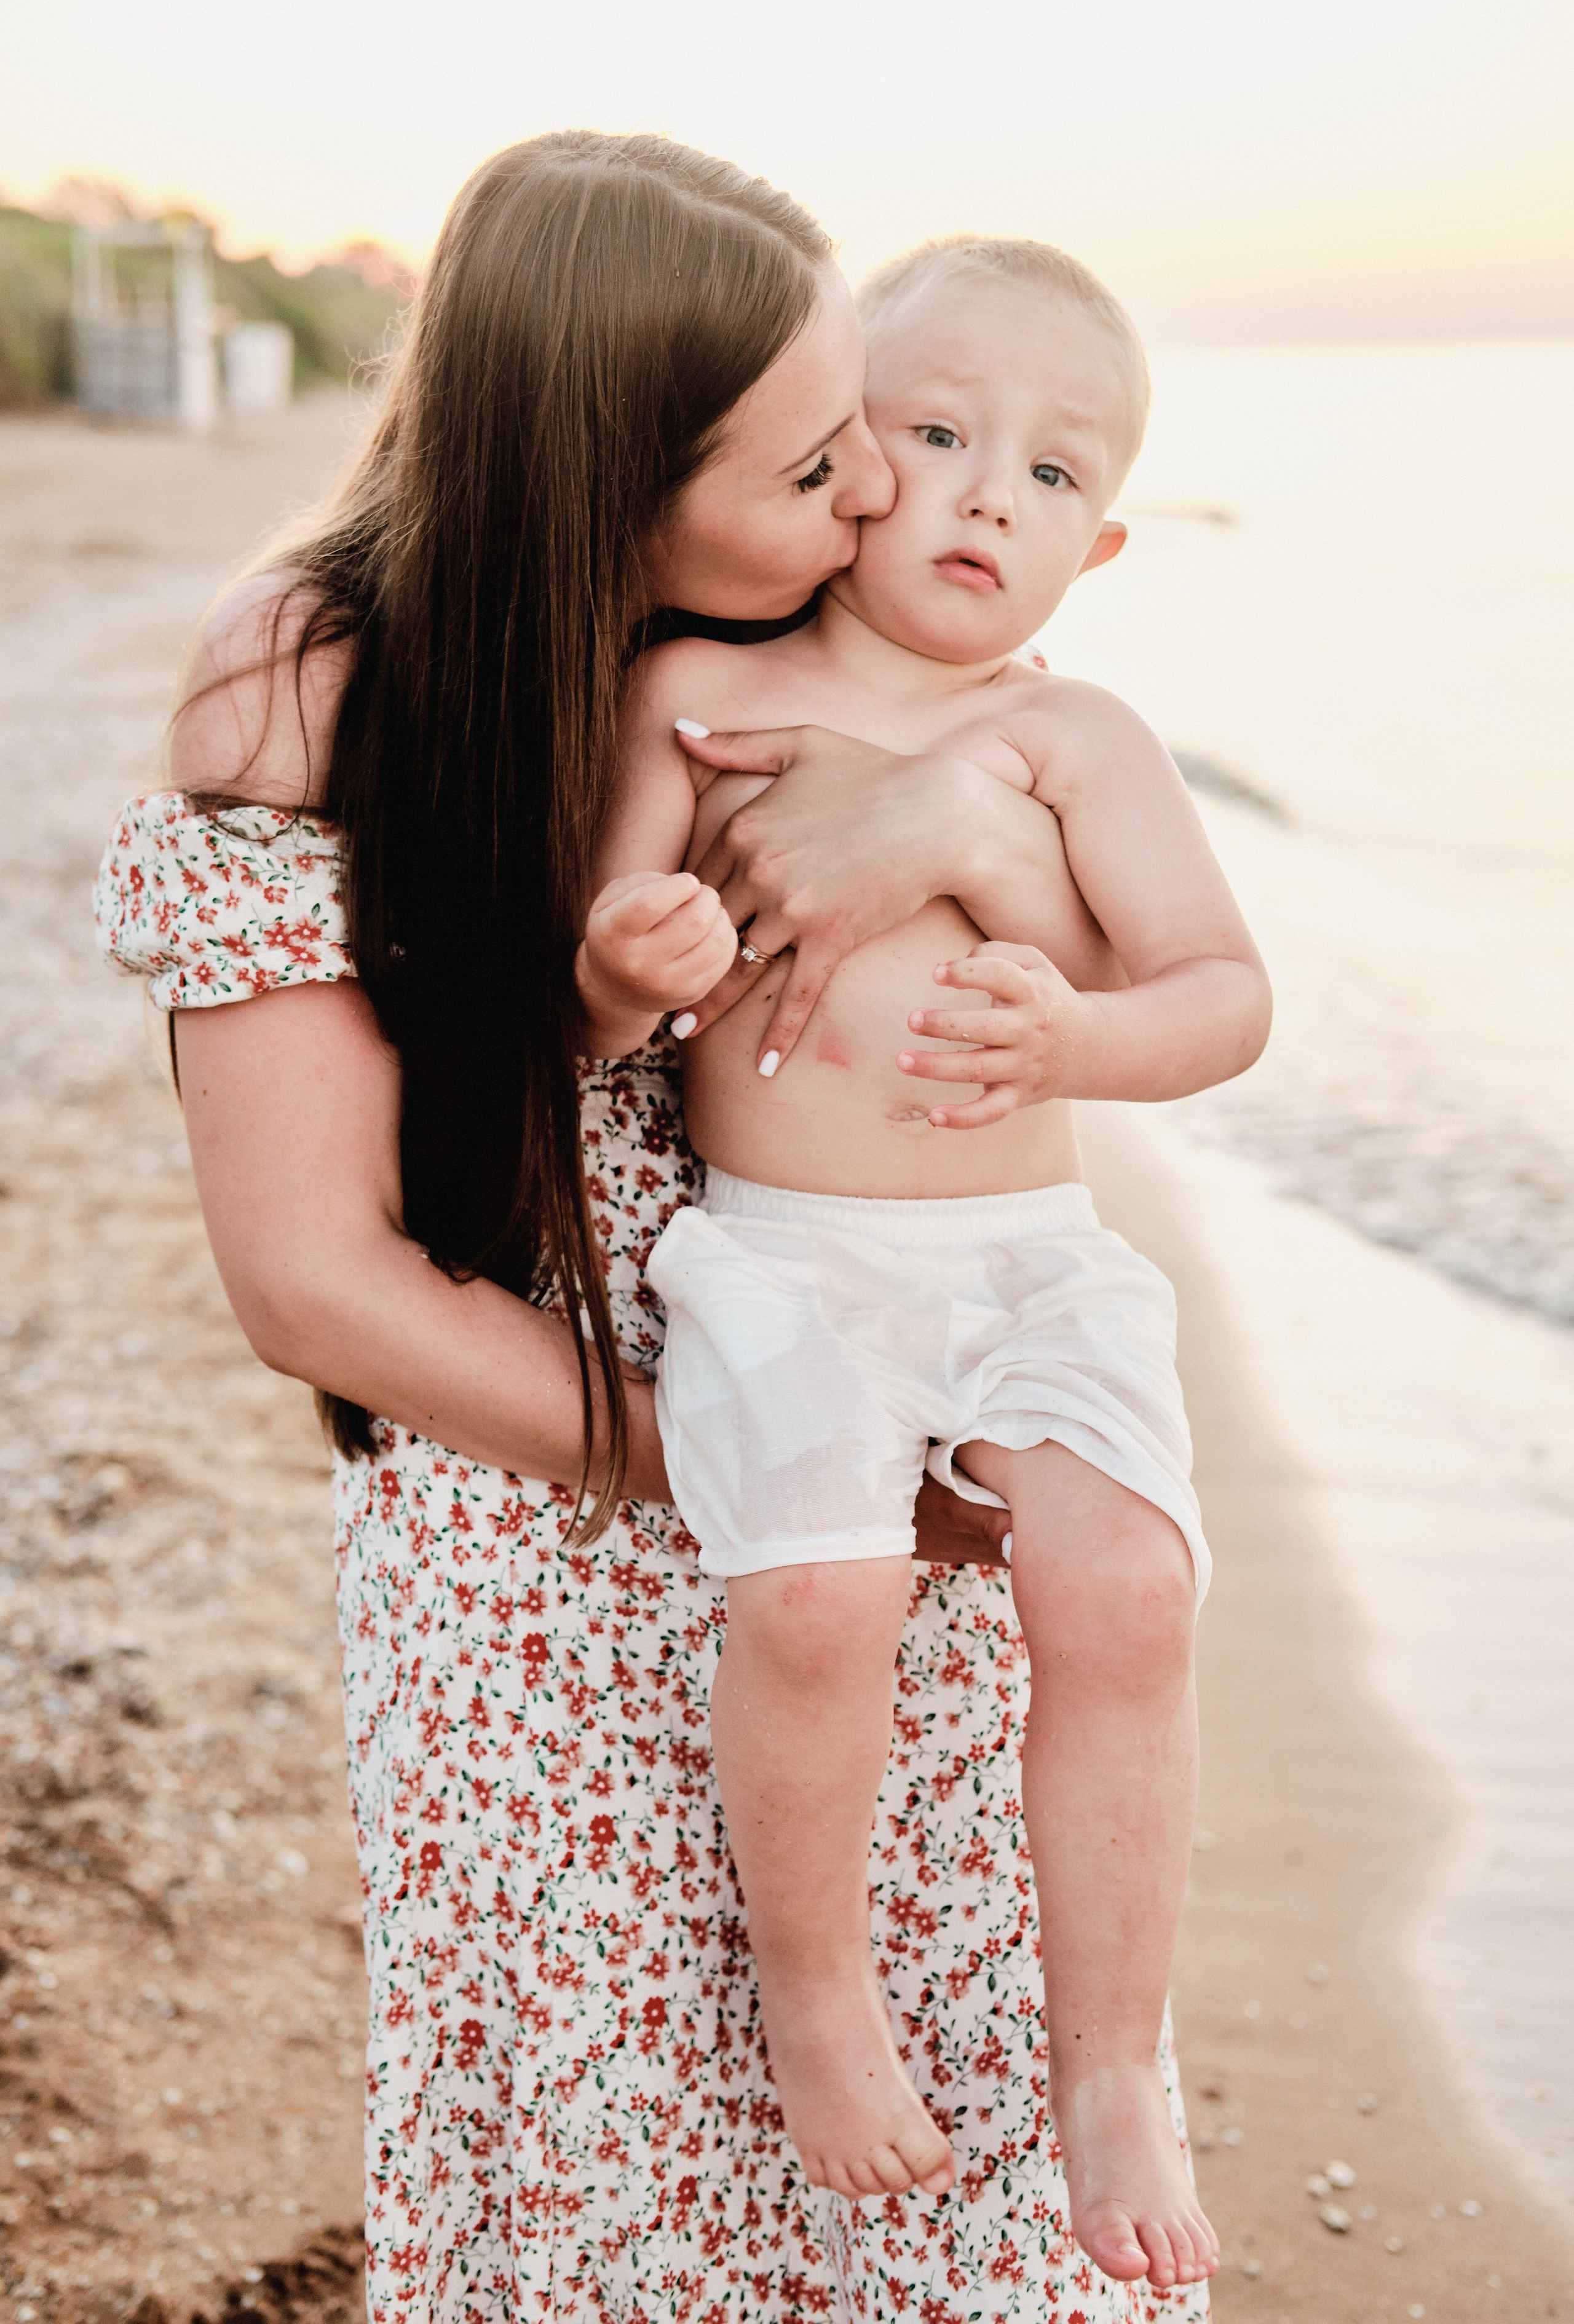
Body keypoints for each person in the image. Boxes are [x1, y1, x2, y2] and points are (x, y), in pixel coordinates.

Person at [95, 135, 1214, 2321]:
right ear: (621, 468)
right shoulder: (313, 679)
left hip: (871, 1426)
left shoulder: (801, 645)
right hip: (581, 1484)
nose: (886, 505)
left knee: (956, 2107)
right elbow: (309, 1277)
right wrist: (751, 1468)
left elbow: (1111, 943)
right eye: (829, 461)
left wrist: (956, 813)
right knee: (623, 2158)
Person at [579, 236, 1270, 2287]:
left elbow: (1221, 997)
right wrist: (631, 963)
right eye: (942, 433)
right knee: (817, 1598)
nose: (989, 495)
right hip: (788, 1257)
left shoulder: (1080, 741)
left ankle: (1113, 2064)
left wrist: (1079, 1035)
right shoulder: (703, 696)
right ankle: (817, 1994)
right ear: (843, 459)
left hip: (1024, 1252)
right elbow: (597, 984)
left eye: (1054, 476)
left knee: (1130, 1587)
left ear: (1108, 540)